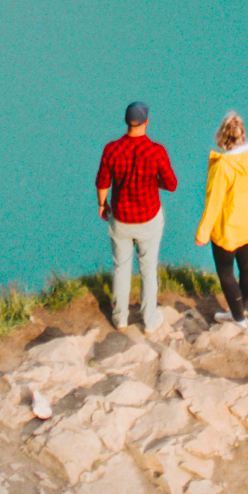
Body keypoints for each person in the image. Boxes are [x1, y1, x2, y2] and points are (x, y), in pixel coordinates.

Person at [96, 101, 178, 331]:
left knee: (121, 268)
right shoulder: (156, 151)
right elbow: (172, 184)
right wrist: (155, 180)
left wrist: (102, 205)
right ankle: (149, 320)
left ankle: (120, 318)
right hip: (148, 219)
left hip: (121, 219)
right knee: (148, 269)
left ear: (126, 121)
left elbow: (102, 182)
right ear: (146, 122)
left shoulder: (111, 149)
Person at [193, 112, 248, 327]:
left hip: (229, 227)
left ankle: (238, 317)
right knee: (247, 266)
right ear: (242, 134)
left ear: (222, 136)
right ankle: (241, 307)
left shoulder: (224, 166)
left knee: (226, 271)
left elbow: (214, 202)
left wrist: (203, 233)